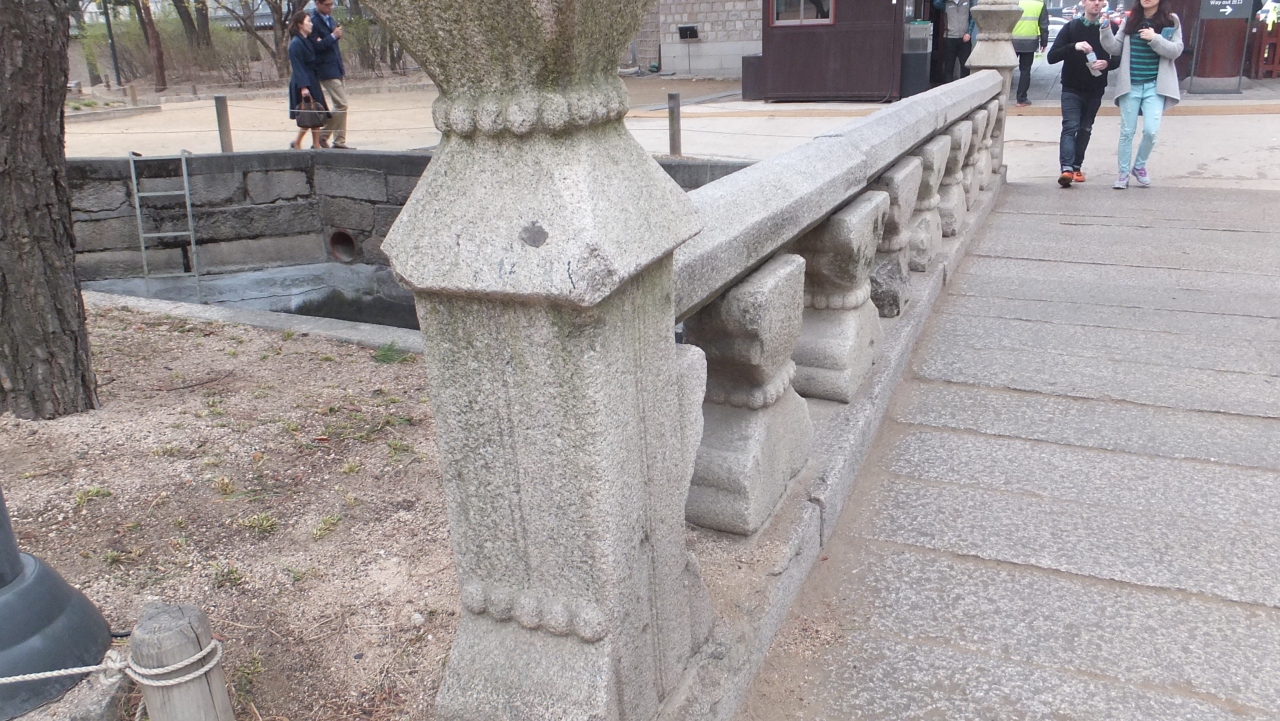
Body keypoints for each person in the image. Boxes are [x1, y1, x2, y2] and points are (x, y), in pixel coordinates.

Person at [1099, 0, 1183, 188]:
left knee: (1151, 131)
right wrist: (1105, 29)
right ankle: (1123, 173)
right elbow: (1115, 48)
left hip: (1155, 86)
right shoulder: (1130, 20)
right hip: (1131, 85)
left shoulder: (1171, 20)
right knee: (1127, 132)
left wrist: (1155, 38)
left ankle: (1139, 166)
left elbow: (1176, 50)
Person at [1046, 0, 1118, 186]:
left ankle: (1076, 166)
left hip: (1095, 89)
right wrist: (1073, 46)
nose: (1096, 3)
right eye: (1092, 0)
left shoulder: (1110, 28)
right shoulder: (1071, 27)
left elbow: (1120, 57)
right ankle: (1067, 169)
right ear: (1083, 3)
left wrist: (1107, 63)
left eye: (1100, 0)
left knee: (1085, 128)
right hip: (1071, 87)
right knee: (1070, 127)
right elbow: (1052, 57)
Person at [310, 0, 351, 149]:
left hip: (336, 66)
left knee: (340, 106)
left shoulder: (330, 19)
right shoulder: (313, 22)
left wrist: (334, 37)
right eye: (327, 5)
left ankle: (339, 141)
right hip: (325, 69)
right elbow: (316, 46)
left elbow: (328, 44)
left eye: (332, 4)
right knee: (342, 104)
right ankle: (323, 135)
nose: (330, 8)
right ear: (318, 3)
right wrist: (333, 36)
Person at [287, 11, 327, 150]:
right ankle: (298, 142)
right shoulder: (296, 43)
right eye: (308, 21)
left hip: (312, 79)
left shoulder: (307, 40)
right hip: (302, 81)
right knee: (307, 113)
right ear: (300, 24)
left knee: (316, 112)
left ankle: (316, 144)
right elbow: (297, 66)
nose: (311, 24)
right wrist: (303, 87)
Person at [1013, 0, 1049, 106]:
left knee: (1006, 70)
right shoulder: (1039, 4)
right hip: (1029, 43)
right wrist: (1044, 42)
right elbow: (1044, 26)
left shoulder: (1014, 2)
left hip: (1011, 42)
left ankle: (1001, 96)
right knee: (1025, 71)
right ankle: (1021, 99)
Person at [934, 0, 977, 82]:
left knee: (965, 67)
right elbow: (936, 3)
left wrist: (969, 32)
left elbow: (973, 17)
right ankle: (948, 87)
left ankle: (964, 87)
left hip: (965, 38)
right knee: (948, 67)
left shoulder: (968, 2)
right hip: (950, 37)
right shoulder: (946, 3)